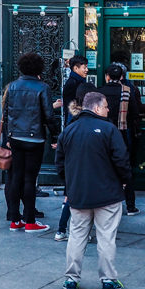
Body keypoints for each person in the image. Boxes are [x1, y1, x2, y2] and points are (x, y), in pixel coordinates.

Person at [56, 91, 131, 289]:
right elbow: (121, 160)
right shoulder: (109, 129)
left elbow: (60, 164)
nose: (108, 110)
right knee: (106, 237)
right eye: (106, 106)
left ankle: (71, 279)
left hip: (78, 193)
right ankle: (108, 280)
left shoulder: (69, 130)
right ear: (97, 108)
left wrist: (69, 185)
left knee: (77, 235)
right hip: (107, 193)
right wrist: (124, 181)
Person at [3, 52, 58, 232]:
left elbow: (6, 114)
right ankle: (30, 220)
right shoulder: (42, 87)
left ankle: (14, 218)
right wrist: (56, 136)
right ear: (39, 68)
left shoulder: (12, 87)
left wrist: (8, 137)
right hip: (35, 138)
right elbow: (49, 115)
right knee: (29, 178)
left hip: (15, 137)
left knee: (15, 177)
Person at [55, 81, 97, 242]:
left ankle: (61, 230)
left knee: (69, 197)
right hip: (83, 162)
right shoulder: (87, 118)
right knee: (83, 200)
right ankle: (78, 231)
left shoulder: (72, 115)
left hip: (71, 163)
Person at [99, 63, 141, 215]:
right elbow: (135, 113)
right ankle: (130, 206)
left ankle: (105, 203)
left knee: (104, 167)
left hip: (102, 135)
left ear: (107, 77)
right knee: (125, 167)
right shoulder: (127, 91)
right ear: (122, 77)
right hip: (122, 134)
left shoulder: (100, 92)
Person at [61, 55, 89, 124]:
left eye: (87, 67)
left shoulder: (78, 81)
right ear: (76, 68)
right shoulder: (73, 83)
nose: (87, 70)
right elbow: (71, 106)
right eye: (84, 67)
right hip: (75, 120)